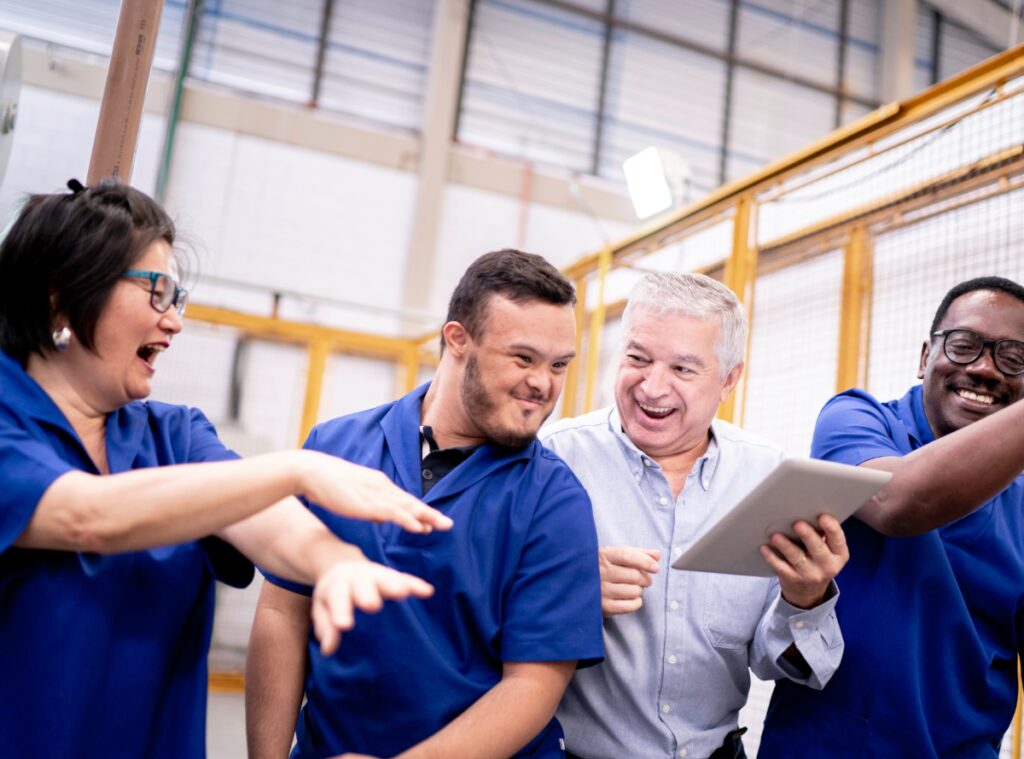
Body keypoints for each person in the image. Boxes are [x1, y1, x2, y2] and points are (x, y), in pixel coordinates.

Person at [0, 179, 453, 759]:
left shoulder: (173, 435)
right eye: (157, 292)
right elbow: (87, 515)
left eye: (176, 298)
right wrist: (297, 468)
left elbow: (265, 521)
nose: (174, 322)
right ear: (61, 297)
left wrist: (333, 563)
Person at [246, 249, 604, 759]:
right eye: (523, 358)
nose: (543, 383)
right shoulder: (335, 449)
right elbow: (284, 611)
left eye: (559, 365)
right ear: (458, 340)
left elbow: (533, 687)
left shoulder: (554, 500)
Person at [540, 272, 849, 759]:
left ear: (729, 379)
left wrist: (805, 598)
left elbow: (778, 664)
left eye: (683, 369)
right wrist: (564, 588)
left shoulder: (767, 477)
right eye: (637, 358)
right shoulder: (552, 459)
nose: (652, 386)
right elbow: (476, 611)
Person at [759, 276, 1024, 758]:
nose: (986, 369)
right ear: (926, 357)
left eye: (1014, 357)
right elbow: (898, 501)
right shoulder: (859, 420)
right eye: (964, 346)